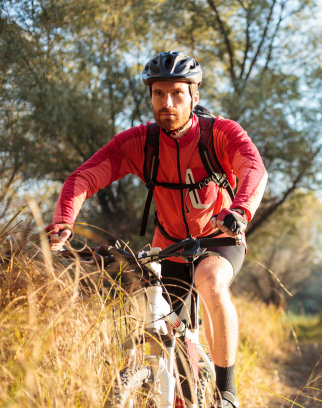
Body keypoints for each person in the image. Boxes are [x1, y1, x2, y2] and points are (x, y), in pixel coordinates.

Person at [46, 51, 267, 408]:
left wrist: (239, 210)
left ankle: (227, 394)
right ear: (150, 97)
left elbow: (253, 167)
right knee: (165, 327)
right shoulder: (141, 143)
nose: (167, 103)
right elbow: (85, 176)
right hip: (169, 245)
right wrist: (63, 221)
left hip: (219, 238)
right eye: (159, 94)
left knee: (209, 281)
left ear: (194, 96)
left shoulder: (219, 134)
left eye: (177, 93)